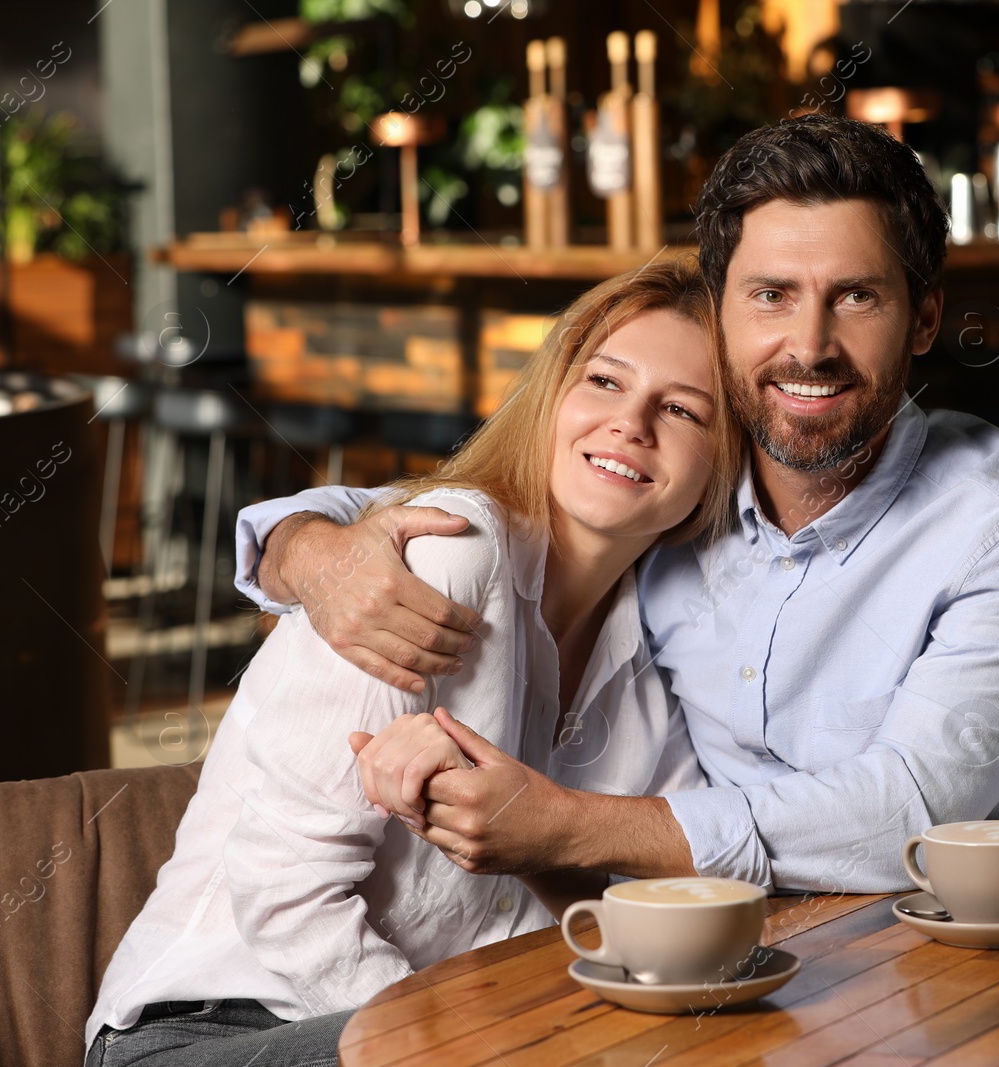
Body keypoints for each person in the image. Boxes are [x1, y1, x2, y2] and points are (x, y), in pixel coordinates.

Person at [236, 114, 999, 898]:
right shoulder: (677, 482)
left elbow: (909, 811)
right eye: (771, 296)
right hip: (769, 950)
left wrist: (568, 825)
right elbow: (477, 498)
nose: (809, 347)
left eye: (856, 297)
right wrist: (310, 549)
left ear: (926, 319)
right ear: (724, 312)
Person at [84, 260, 741, 1067]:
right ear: (553, 395)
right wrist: (457, 1044)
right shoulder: (444, 559)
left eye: (682, 409)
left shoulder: (657, 660)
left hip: (457, 1026)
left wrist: (545, 840)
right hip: (213, 1029)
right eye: (605, 380)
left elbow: (661, 910)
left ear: (724, 464)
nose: (631, 424)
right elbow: (285, 889)